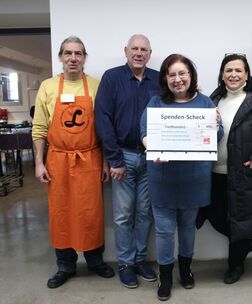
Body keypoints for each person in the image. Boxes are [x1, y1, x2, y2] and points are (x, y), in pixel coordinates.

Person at [32, 36, 114, 289]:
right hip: (57, 159)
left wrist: (106, 162)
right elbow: (39, 128)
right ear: (60, 57)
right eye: (68, 53)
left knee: (91, 212)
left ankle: (94, 260)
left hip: (89, 157)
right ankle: (65, 265)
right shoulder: (47, 86)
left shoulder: (97, 86)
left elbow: (104, 127)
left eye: (78, 53)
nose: (73, 58)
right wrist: (38, 163)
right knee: (61, 213)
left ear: (84, 57)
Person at [140, 54, 223, 301]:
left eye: (182, 73)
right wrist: (151, 146)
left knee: (188, 228)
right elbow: (144, 131)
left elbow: (216, 138)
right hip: (163, 179)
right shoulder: (156, 103)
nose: (178, 79)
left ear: (191, 75)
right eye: (172, 74)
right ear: (166, 78)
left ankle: (186, 271)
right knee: (165, 231)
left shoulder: (206, 103)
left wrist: (216, 125)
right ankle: (165, 277)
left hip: (194, 179)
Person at [197, 54, 252, 284]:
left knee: (238, 219)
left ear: (246, 75)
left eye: (238, 70)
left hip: (244, 174)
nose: (233, 74)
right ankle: (246, 243)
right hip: (214, 173)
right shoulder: (212, 100)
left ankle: (235, 265)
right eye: (228, 70)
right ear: (222, 75)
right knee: (215, 216)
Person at [94, 34, 159, 288]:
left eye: (144, 49)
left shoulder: (158, 78)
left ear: (150, 54)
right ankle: (125, 263)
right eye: (135, 48)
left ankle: (141, 259)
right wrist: (114, 159)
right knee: (123, 215)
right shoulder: (112, 78)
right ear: (126, 51)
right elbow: (103, 119)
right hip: (123, 157)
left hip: (152, 158)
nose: (139, 53)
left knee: (145, 213)